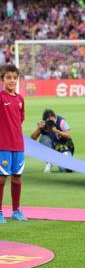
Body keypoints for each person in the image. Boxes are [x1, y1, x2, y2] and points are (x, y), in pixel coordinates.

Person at [0, 64, 27, 222]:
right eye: (8, 78)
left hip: (18, 145)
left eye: (14, 78)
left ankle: (16, 210)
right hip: (3, 144)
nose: (12, 81)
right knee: (2, 178)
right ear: (2, 79)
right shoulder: (1, 97)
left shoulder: (20, 99)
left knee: (17, 177)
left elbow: (20, 119)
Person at [30, 108, 75, 173]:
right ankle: (49, 162)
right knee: (44, 138)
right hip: (52, 148)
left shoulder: (61, 121)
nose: (51, 123)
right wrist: (38, 128)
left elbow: (68, 135)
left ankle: (67, 162)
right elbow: (32, 139)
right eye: (48, 121)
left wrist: (56, 131)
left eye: (52, 120)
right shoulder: (44, 125)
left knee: (64, 169)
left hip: (64, 147)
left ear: (55, 117)